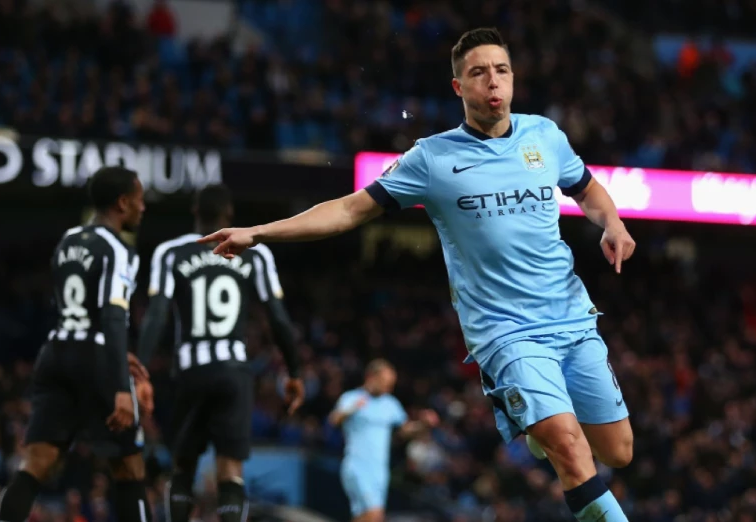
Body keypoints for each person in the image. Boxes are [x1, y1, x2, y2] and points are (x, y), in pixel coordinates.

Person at [198, 27, 636, 521]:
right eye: (478, 72)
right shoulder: (432, 158)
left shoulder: (544, 136)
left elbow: (588, 190)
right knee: (571, 449)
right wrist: (261, 231)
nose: (493, 81)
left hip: (572, 316)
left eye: (502, 70)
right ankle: (547, 430)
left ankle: (542, 429)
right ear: (459, 87)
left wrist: (612, 222)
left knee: (618, 451)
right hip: (506, 333)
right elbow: (348, 210)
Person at [137, 183, 305, 522]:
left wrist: (139, 368)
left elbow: (156, 316)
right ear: (229, 215)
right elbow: (279, 320)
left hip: (190, 372)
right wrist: (294, 371)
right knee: (230, 470)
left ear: (195, 212)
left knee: (183, 466)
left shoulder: (171, 252)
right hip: (234, 372)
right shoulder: (255, 253)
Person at [0, 166, 154, 522]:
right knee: (129, 469)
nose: (143, 209)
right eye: (140, 201)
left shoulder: (68, 241)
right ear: (122, 202)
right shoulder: (119, 250)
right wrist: (119, 386)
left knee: (34, 465)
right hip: (96, 360)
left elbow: (75, 311)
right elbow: (114, 317)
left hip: (56, 353)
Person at [330, 359, 439, 522]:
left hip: (379, 472)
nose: (388, 388)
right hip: (358, 467)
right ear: (370, 377)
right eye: (385, 383)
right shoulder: (352, 397)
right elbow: (334, 419)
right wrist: (353, 408)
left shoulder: (390, 404)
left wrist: (423, 424)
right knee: (375, 515)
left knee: (367, 517)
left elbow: (404, 431)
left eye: (391, 384)